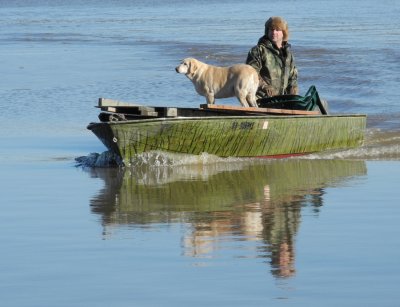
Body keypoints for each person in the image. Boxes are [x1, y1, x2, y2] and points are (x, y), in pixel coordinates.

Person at [246, 17, 299, 101]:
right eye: (271, 29)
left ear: (283, 33)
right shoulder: (258, 50)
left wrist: (293, 89)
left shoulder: (288, 54)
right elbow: (251, 74)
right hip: (259, 99)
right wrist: (265, 87)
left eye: (277, 30)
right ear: (267, 31)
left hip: (281, 100)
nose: (274, 32)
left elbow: (293, 77)